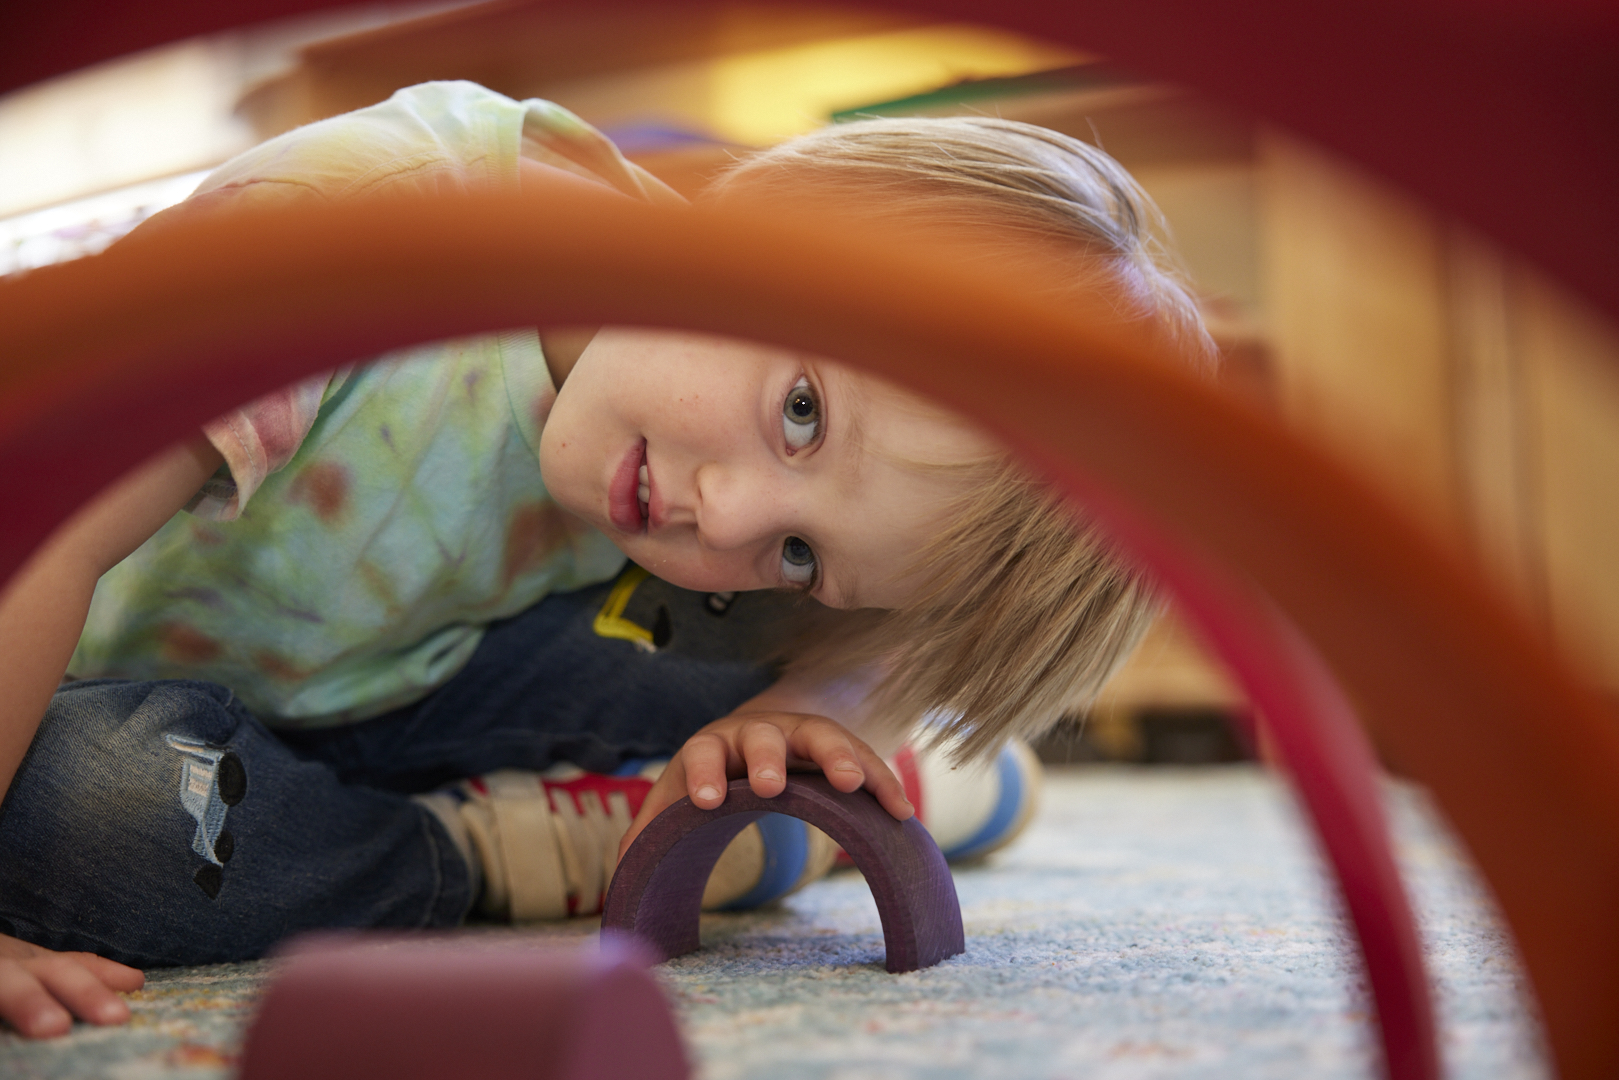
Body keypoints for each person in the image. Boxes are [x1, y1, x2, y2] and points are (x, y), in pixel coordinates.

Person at [0, 81, 1215, 1037]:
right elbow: (38, 518)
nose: (725, 520)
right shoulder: (376, 220)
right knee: (89, 825)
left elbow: (881, 611)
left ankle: (871, 762)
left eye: (799, 552)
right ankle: (500, 852)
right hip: (52, 638)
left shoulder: (685, 464)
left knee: (761, 655)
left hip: (391, 671)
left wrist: (816, 703)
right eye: (800, 409)